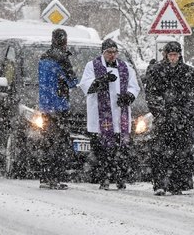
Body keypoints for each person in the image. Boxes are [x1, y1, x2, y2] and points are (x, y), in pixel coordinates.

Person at [79, 38, 140, 190]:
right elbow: (86, 85)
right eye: (109, 52)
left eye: (114, 52)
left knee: (120, 150)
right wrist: (102, 80)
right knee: (103, 150)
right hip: (100, 116)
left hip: (120, 115)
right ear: (103, 52)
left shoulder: (126, 67)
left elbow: (134, 87)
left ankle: (120, 178)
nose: (112, 55)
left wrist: (129, 96)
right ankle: (104, 178)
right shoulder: (92, 66)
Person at [145, 41, 194, 196]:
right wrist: (161, 111)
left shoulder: (188, 72)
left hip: (182, 120)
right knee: (161, 152)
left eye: (175, 55)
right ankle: (160, 183)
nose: (172, 58)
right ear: (166, 55)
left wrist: (186, 112)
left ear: (179, 55)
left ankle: (177, 183)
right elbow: (151, 94)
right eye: (170, 55)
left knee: (181, 153)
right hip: (164, 119)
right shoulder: (157, 71)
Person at [36, 28, 79, 189]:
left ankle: (45, 177)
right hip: (60, 106)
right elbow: (73, 82)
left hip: (46, 106)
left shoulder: (43, 57)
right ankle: (56, 177)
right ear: (65, 42)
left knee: (47, 142)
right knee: (60, 143)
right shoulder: (62, 59)